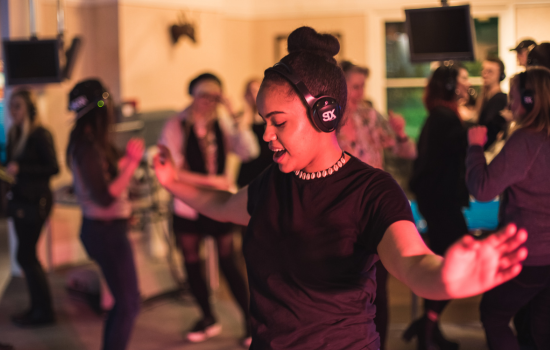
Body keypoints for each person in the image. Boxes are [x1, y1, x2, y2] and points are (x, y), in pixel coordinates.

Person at [153, 27, 527, 350]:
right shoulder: (273, 182)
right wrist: (172, 182)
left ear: (324, 114)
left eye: (278, 122)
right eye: (264, 121)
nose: (266, 135)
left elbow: (411, 261)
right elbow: (222, 204)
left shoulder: (371, 191)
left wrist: (446, 278)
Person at [158, 72, 258, 344]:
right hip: (187, 204)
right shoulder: (177, 125)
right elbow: (172, 169)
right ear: (192, 95)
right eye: (203, 95)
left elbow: (249, 151)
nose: (207, 101)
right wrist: (212, 181)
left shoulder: (223, 123)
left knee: (229, 260)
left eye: (214, 96)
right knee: (192, 260)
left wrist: (233, 114)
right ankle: (207, 316)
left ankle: (251, 323)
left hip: (219, 204)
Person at [467, 66, 550, 350]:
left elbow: (483, 189)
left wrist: (475, 148)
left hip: (528, 254)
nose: (509, 104)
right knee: (538, 330)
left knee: (493, 314)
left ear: (530, 101)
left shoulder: (527, 140)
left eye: (513, 97)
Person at [337, 60, 416, 350]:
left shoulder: (370, 117)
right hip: (340, 215)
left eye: (361, 86)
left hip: (373, 212)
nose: (359, 92)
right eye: (354, 86)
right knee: (346, 288)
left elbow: (408, 151)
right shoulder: (326, 121)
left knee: (378, 288)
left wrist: (401, 132)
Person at [66, 79, 143, 350]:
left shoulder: (88, 142)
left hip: (106, 230)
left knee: (125, 303)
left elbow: (103, 176)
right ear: (100, 109)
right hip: (105, 231)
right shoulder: (86, 146)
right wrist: (132, 165)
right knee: (129, 304)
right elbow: (104, 196)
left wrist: (127, 161)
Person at [406, 65, 472, 350]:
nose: (468, 85)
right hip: (441, 204)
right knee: (452, 265)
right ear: (449, 87)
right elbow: (467, 147)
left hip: (438, 203)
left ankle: (427, 327)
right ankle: (427, 328)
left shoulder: (441, 116)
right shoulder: (445, 118)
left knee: (447, 265)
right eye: (463, 80)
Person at [6, 89, 59, 327]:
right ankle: (38, 308)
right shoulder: (15, 133)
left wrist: (21, 170)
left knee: (26, 255)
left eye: (17, 106)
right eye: (11, 106)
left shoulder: (39, 134)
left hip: (36, 202)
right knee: (26, 256)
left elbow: (53, 168)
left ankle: (43, 311)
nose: (12, 111)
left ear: (28, 108)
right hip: (20, 201)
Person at [237, 78, 273, 188]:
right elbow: (241, 138)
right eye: (252, 90)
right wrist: (247, 109)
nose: (256, 93)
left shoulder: (271, 114)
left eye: (258, 89)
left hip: (269, 164)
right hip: (250, 167)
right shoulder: (243, 116)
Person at [476, 57, 508, 151]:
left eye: (490, 71)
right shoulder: (485, 97)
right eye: (483, 70)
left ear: (501, 76)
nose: (485, 74)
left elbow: (487, 129)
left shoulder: (499, 99)